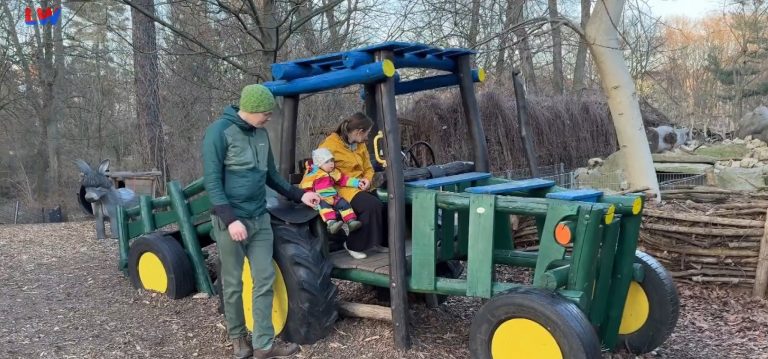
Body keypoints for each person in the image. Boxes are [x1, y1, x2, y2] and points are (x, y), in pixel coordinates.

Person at [202, 84, 321, 359]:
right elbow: (212, 183)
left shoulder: (261, 134)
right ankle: (238, 339)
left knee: (264, 278)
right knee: (232, 283)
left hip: (259, 219)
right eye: (265, 113)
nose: (268, 118)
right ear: (251, 109)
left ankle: (264, 344)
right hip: (231, 222)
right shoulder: (218, 133)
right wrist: (231, 220)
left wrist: (300, 195)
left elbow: (272, 176)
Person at [317, 112, 389, 259]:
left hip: (361, 186)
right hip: (341, 188)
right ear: (358, 132)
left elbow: (368, 168)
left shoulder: (360, 144)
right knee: (370, 205)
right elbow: (323, 170)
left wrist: (368, 180)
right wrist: (353, 182)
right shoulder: (329, 145)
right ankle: (353, 244)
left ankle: (379, 241)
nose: (367, 137)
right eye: (367, 133)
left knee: (387, 202)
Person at [300, 148, 364, 240]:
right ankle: (331, 224)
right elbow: (305, 186)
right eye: (327, 162)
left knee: (344, 204)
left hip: (333, 197)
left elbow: (343, 180)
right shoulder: (313, 174)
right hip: (320, 198)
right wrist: (311, 196)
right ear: (319, 164)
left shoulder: (333, 173)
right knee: (325, 208)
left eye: (332, 161)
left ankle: (351, 221)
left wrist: (357, 182)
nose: (331, 164)